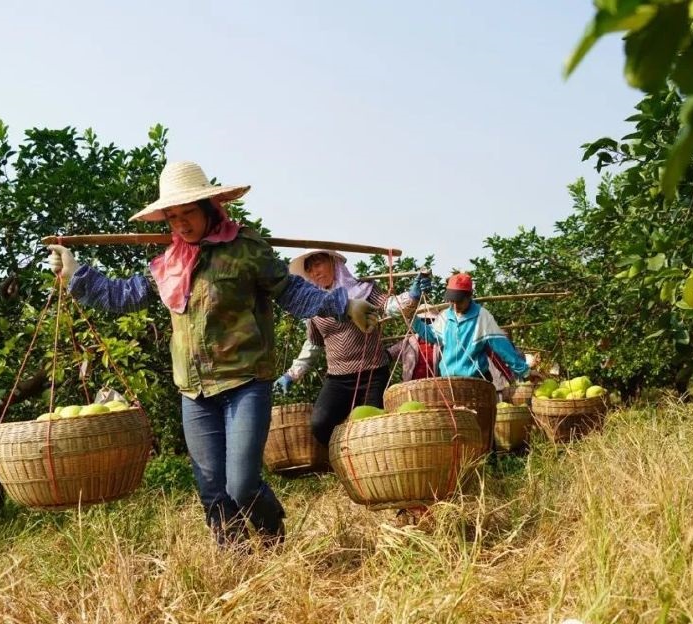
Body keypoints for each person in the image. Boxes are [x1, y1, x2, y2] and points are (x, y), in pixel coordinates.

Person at [45, 161, 378, 548]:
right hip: (194, 391)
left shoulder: (246, 249)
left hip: (244, 381)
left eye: (188, 212)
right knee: (212, 490)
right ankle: (235, 557)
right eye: (172, 216)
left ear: (209, 207)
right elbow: (124, 295)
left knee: (241, 484)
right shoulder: (169, 264)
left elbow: (291, 291)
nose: (182, 224)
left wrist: (342, 304)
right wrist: (76, 275)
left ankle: (274, 544)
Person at [274, 252, 432, 446]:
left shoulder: (364, 290)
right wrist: (292, 374)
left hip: (372, 373)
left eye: (319, 264)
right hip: (338, 378)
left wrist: (412, 295)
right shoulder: (314, 305)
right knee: (320, 423)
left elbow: (391, 306)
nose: (315, 272)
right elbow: (314, 344)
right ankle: (341, 460)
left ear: (333, 263)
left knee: (371, 428)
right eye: (310, 269)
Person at [411, 273, 531, 383]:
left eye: (459, 301)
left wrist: (525, 372)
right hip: (448, 381)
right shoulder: (446, 316)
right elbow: (430, 335)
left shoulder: (482, 316)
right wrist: (411, 311)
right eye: (452, 301)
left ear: (469, 297)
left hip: (474, 381)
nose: (455, 306)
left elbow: (503, 348)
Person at [386, 309, 441, 382]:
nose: (426, 325)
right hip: (411, 387)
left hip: (435, 387)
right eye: (423, 321)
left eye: (430, 321)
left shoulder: (440, 342)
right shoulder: (409, 341)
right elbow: (389, 354)